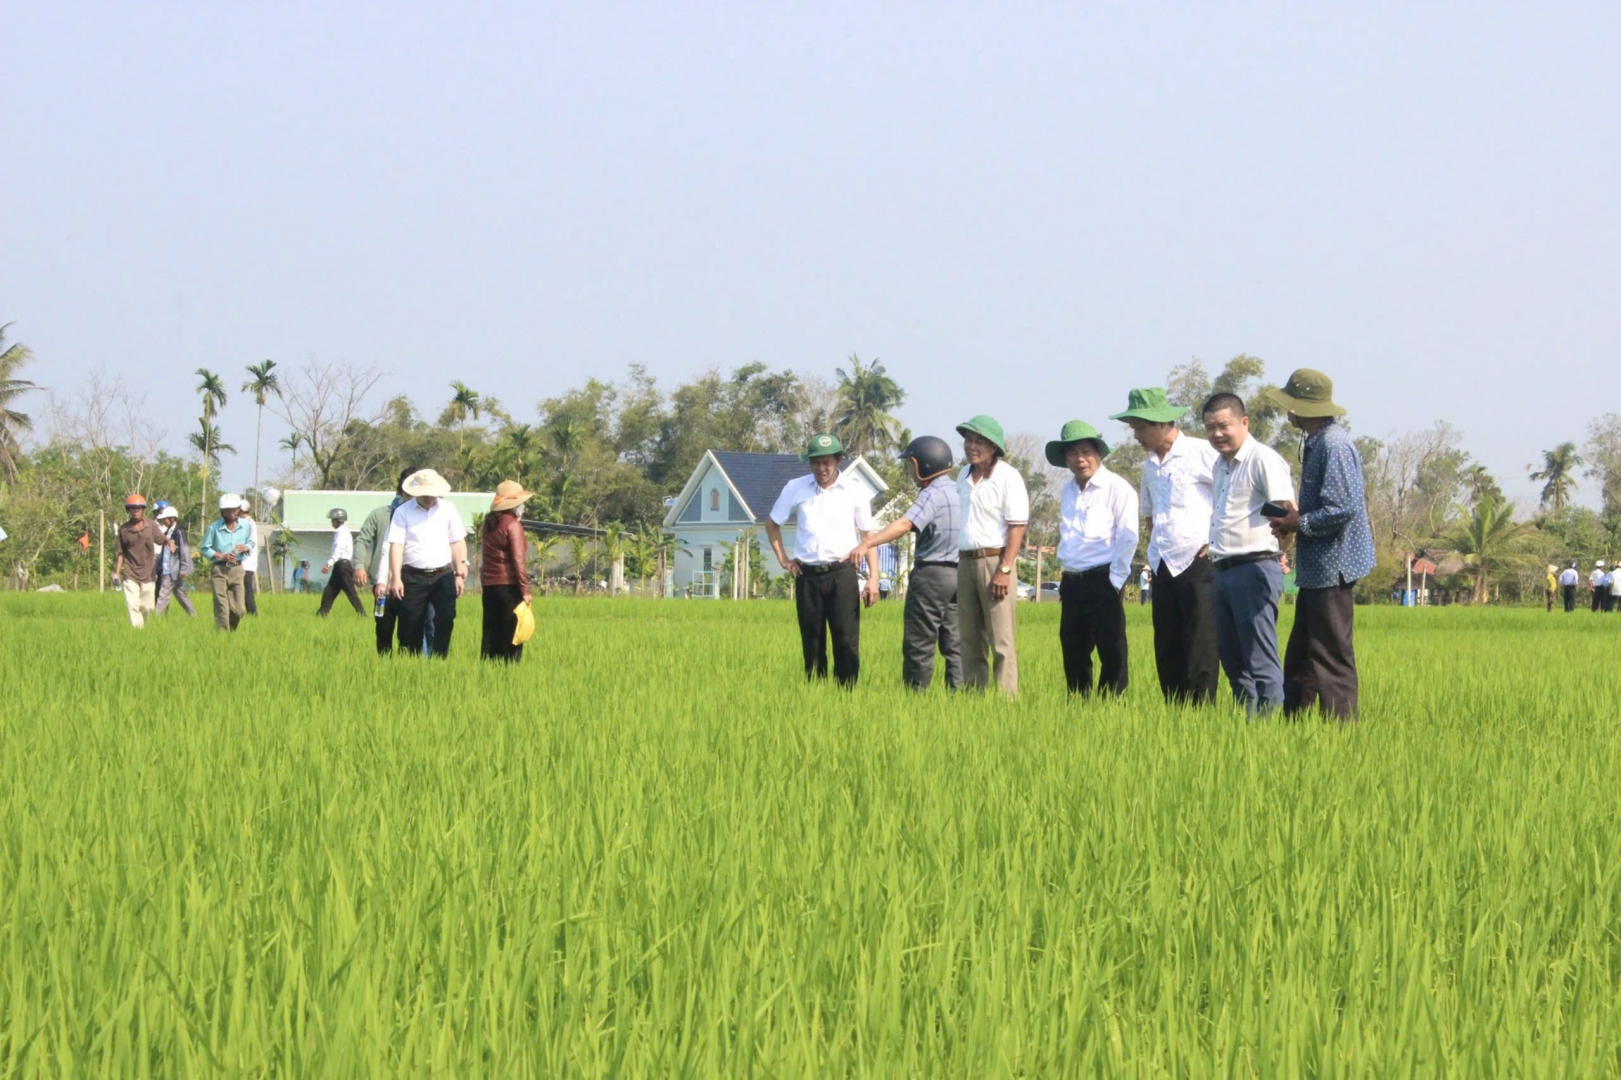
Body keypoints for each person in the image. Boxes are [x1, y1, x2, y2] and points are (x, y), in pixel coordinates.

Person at [1264, 370, 1376, 721]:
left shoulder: (1333, 444)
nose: (1287, 412)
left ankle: (1341, 732)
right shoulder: (1317, 441)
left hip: (1333, 566)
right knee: (1302, 655)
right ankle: (1292, 724)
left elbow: (1343, 508)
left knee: (1331, 655)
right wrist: (1292, 516)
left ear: (1302, 407)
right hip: (1317, 568)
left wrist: (1300, 522)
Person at [1113, 386, 1222, 705]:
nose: (1136, 436)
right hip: (1161, 564)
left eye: (1140, 428)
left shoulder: (1201, 452)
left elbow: (1231, 495)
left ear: (1161, 423)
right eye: (1133, 429)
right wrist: (1155, 547)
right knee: (1167, 644)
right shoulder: (1149, 466)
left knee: (1200, 642)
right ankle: (1175, 711)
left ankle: (1202, 714)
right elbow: (1149, 514)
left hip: (1198, 561)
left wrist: (1215, 540)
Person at [845, 435, 962, 691]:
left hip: (931, 576)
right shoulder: (960, 490)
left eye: (912, 464)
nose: (910, 471)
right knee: (956, 645)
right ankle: (959, 698)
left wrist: (868, 542)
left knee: (919, 643)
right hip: (960, 575)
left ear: (925, 465)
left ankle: (915, 699)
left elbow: (905, 523)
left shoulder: (931, 494)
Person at [1204, 393, 1295, 715]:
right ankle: (1247, 727)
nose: (1217, 434)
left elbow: (1286, 513)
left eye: (1224, 425)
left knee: (1259, 658)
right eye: (1210, 428)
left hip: (1254, 568)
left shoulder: (1263, 459)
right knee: (1232, 659)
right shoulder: (1219, 465)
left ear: (1244, 422)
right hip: (1223, 570)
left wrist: (1277, 555)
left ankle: (1268, 731)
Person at [765, 434, 880, 686]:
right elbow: (772, 524)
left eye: (827, 462)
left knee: (846, 639)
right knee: (812, 640)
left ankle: (846, 695)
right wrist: (784, 559)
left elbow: (867, 536)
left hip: (842, 573)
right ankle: (815, 695)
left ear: (838, 460)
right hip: (807, 576)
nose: (821, 469)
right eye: (815, 463)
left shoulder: (854, 490)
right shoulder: (795, 488)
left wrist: (873, 578)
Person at [1048, 421, 1137, 697]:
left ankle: (1111, 705)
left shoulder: (1117, 487)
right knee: (1073, 646)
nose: (1080, 459)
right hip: (1072, 579)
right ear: (1065, 459)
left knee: (1111, 648)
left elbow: (1128, 536)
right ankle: (1078, 705)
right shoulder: (1068, 491)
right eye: (1073, 454)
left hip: (1104, 577)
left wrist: (1115, 579)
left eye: (1085, 451)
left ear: (1098, 453)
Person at [955, 415, 1029, 695]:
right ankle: (974, 698)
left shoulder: (1009, 477)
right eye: (969, 440)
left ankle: (1005, 703)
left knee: (1001, 639)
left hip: (995, 562)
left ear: (994, 447)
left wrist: (1005, 569)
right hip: (965, 561)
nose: (972, 446)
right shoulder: (963, 474)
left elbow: (1017, 526)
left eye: (979, 441)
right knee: (969, 638)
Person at [387, 469, 469, 658]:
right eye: (424, 495)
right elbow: (396, 546)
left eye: (432, 494)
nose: (429, 498)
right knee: (411, 622)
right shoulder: (402, 512)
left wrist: (459, 572)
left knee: (446, 617)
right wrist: (396, 578)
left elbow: (456, 541)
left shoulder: (448, 509)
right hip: (413, 576)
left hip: (443, 574)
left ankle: (439, 658)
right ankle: (412, 663)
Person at [354, 467, 417, 654]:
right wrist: (359, 566)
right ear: (401, 489)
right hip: (383, 584)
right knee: (383, 627)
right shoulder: (380, 515)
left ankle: (408, 666)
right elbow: (362, 540)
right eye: (408, 491)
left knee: (409, 630)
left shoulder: (425, 515)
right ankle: (384, 664)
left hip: (413, 582)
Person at [481, 480, 534, 661]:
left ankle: (489, 670)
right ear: (515, 505)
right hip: (509, 586)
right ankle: (509, 671)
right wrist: (525, 590)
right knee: (512, 633)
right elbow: (518, 560)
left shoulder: (488, 523)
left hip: (490, 586)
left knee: (491, 631)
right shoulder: (513, 525)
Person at [198, 493, 254, 632]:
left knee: (239, 609)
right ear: (222, 511)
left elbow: (250, 543)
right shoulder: (214, 528)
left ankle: (232, 630)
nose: (231, 513)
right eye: (227, 510)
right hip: (219, 569)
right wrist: (221, 556)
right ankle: (222, 635)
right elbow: (205, 548)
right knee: (221, 606)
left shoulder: (246, 526)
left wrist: (247, 547)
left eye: (234, 510)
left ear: (239, 509)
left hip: (237, 569)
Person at [114, 493, 169, 628]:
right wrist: (116, 572)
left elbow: (162, 540)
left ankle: (142, 627)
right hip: (130, 571)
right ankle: (137, 631)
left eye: (138, 508)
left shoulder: (151, 525)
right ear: (128, 510)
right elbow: (121, 553)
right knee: (132, 604)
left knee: (146, 606)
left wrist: (170, 542)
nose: (135, 511)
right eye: (132, 508)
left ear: (143, 509)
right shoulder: (124, 530)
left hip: (148, 572)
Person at [317, 508, 365, 616]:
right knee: (329, 592)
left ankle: (362, 614)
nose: (331, 522)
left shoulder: (342, 532)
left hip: (342, 566)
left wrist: (329, 564)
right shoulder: (340, 532)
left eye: (333, 520)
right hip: (339, 567)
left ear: (338, 520)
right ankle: (322, 614)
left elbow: (338, 550)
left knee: (351, 593)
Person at [153, 504, 196, 616]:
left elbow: (185, 551)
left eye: (166, 519)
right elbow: (165, 552)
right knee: (180, 593)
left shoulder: (179, 532)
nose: (164, 522)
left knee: (163, 595)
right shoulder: (168, 532)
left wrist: (184, 569)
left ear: (173, 519)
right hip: (167, 569)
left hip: (174, 570)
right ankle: (193, 615)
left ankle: (156, 619)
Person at [238, 501, 260, 615]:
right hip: (241, 562)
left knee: (247, 589)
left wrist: (243, 548)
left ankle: (252, 612)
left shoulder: (250, 524)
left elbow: (252, 543)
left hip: (247, 563)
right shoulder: (241, 523)